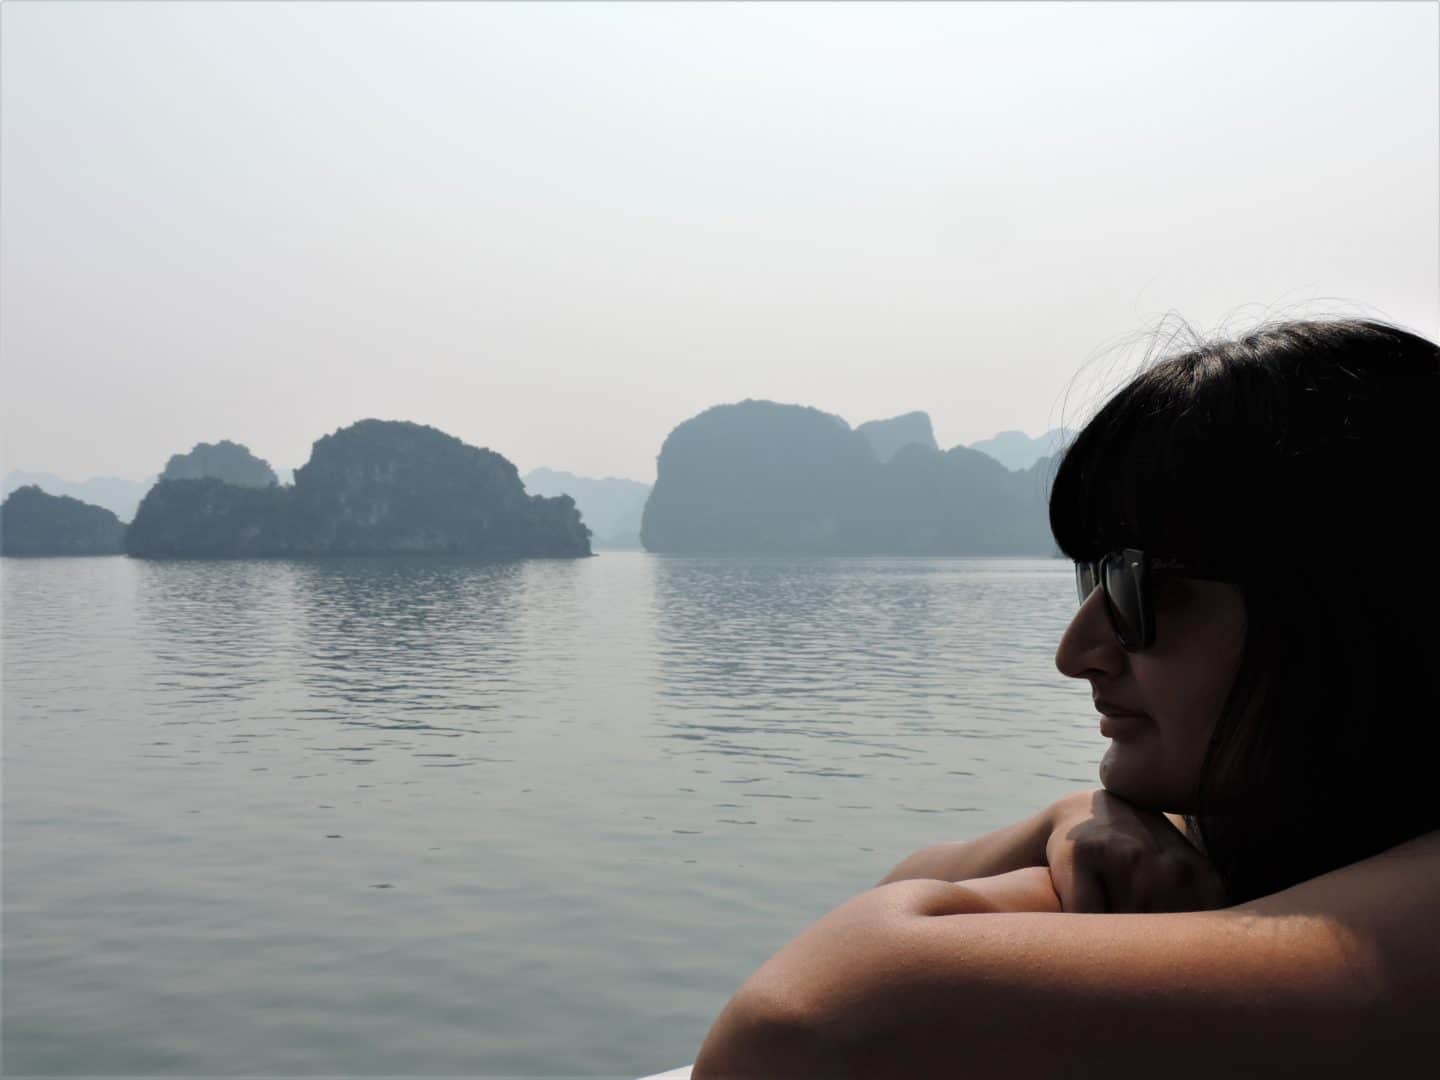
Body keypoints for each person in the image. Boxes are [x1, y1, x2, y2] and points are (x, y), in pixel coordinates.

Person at [691, 318, 1440, 1078]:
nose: (1074, 653)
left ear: (1359, 602)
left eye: (1137, 587)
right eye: (1095, 577)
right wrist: (1074, 814)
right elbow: (904, 885)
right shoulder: (1273, 832)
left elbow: (812, 1026)